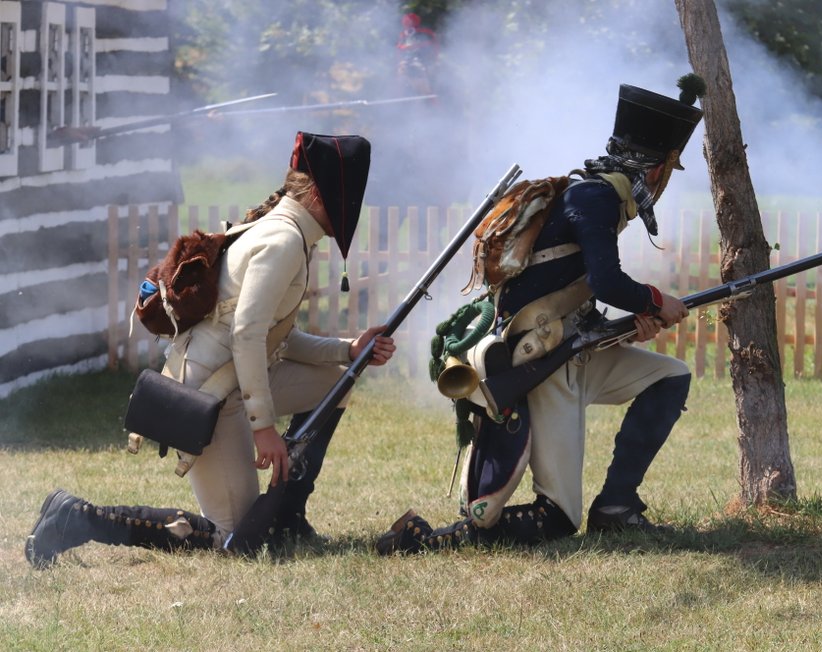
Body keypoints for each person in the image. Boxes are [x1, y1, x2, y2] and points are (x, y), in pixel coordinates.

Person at [25, 132, 396, 569]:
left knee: (338, 380)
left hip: (235, 379)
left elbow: (274, 337)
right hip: (208, 396)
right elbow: (246, 335)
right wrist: (265, 430)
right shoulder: (282, 242)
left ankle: (287, 518)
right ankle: (78, 518)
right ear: (319, 193)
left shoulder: (290, 233)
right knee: (232, 537)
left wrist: (347, 350)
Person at [377, 77, 705, 554]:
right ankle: (431, 540)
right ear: (655, 170)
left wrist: (631, 324)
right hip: (543, 364)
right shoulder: (596, 199)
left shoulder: (596, 197)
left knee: (669, 377)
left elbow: (578, 289)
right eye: (666, 170)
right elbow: (609, 280)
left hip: (575, 350)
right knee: (558, 518)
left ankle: (617, 506)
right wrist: (657, 302)